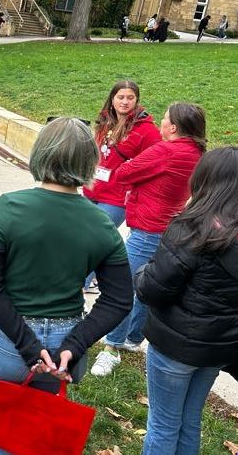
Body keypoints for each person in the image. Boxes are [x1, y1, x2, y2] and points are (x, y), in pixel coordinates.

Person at [0, 117, 134, 454]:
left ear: (42, 154)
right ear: (89, 162)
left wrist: (27, 345)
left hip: (3, 337)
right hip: (60, 348)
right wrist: (75, 344)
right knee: (21, 431)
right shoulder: (101, 225)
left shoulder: (8, 208)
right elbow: (121, 299)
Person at [135, 146, 238, 455]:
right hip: (218, 348)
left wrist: (144, 271)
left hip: (176, 347)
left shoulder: (192, 228)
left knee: (164, 425)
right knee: (190, 421)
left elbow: (153, 288)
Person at [91, 102, 207, 378]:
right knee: (147, 285)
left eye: (164, 120)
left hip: (147, 230)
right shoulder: (197, 152)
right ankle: (132, 337)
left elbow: (123, 173)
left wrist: (134, 168)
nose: (160, 125)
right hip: (169, 229)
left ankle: (112, 347)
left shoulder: (166, 151)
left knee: (123, 287)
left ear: (174, 128)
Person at [82, 80, 161, 292]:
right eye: (121, 97)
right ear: (113, 99)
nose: (125, 102)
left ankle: (79, 284)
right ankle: (90, 277)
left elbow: (156, 161)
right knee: (82, 236)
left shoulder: (146, 131)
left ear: (137, 100)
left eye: (130, 98)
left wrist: (132, 171)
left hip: (117, 198)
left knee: (95, 237)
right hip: (92, 189)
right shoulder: (105, 122)